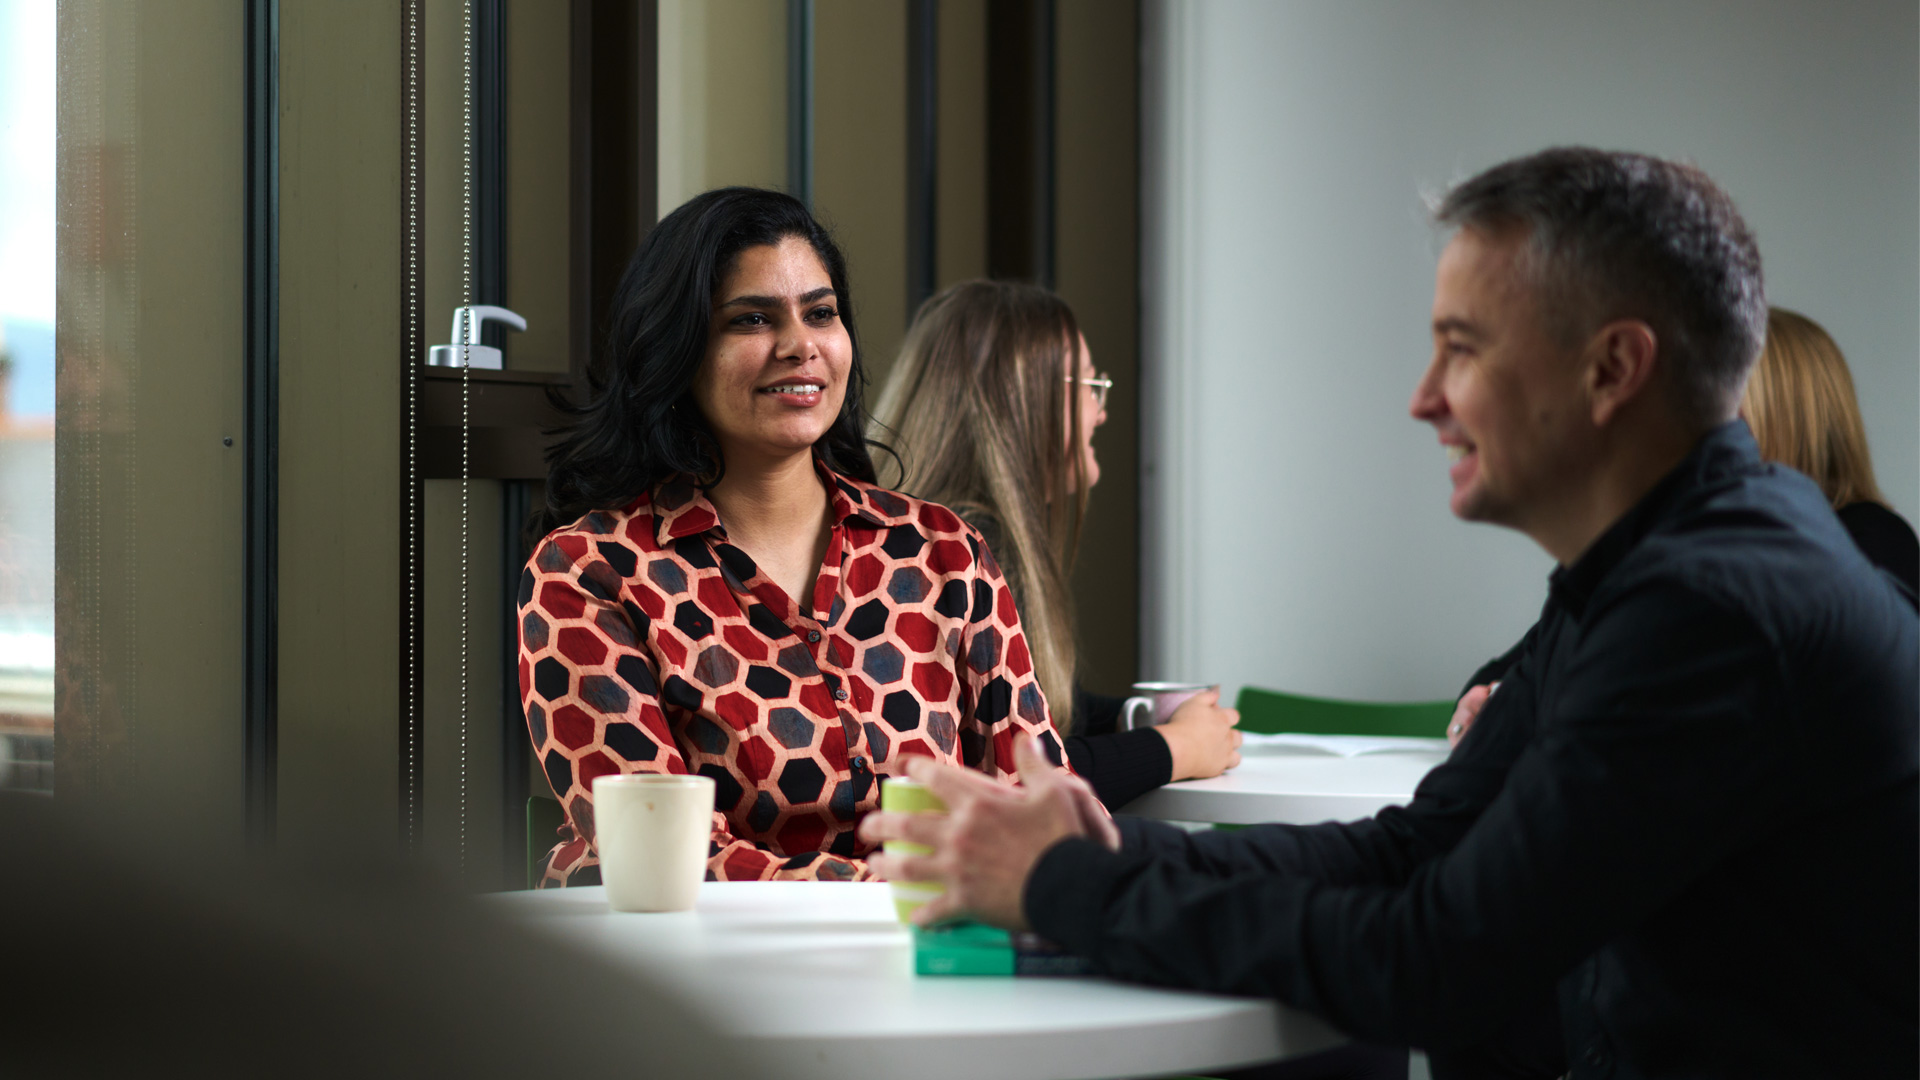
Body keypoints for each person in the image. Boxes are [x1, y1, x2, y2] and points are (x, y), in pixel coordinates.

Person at [860, 148, 1918, 1078]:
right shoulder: (1651, 568)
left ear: (1612, 369)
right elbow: (1414, 850)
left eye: (1464, 348)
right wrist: (1109, 856)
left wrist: (1064, 886)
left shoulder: (1714, 609)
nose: (1424, 398)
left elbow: (1435, 962)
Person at [517, 187, 1064, 886]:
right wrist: (900, 889)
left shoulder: (943, 551)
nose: (802, 346)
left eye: (821, 313)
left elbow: (1039, 803)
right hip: (691, 948)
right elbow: (661, 853)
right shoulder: (589, 572)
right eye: (752, 319)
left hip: (928, 939)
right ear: (677, 349)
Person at [1448, 303, 1919, 747]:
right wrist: (1488, 702)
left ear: (1779, 418)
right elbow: (1527, 666)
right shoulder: (1680, 546)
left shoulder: (1869, 544)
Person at [869, 281, 1243, 810]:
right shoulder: (971, 548)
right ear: (1023, 398)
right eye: (1090, 385)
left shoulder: (926, 537)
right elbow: (1027, 770)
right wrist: (1177, 747)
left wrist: (1140, 716)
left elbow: (1033, 707)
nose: (1101, 410)